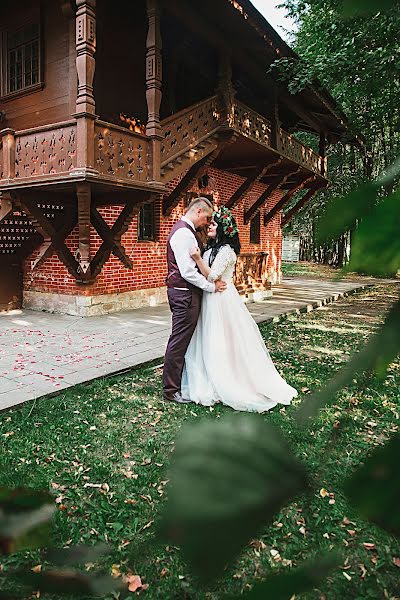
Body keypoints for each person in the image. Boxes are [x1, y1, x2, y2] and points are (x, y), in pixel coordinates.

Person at [181, 206, 298, 412]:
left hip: (222, 300)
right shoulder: (212, 248)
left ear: (224, 229)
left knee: (222, 338)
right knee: (209, 337)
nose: (209, 226)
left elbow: (212, 276)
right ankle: (209, 376)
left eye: (214, 224)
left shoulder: (226, 251)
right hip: (210, 297)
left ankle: (227, 378)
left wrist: (197, 259)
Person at [163, 197, 227, 403]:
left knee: (182, 340)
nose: (207, 223)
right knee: (179, 341)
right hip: (185, 294)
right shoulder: (184, 233)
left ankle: (177, 383)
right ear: (199, 211)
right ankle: (171, 390)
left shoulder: (186, 231)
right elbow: (188, 272)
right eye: (207, 218)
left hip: (184, 293)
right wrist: (211, 287)